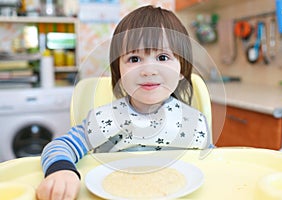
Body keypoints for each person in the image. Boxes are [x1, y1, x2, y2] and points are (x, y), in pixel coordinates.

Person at [36, 5, 211, 200]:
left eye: (162, 57)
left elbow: (217, 164)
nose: (148, 70)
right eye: (134, 58)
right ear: (119, 72)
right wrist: (61, 171)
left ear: (181, 70)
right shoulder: (106, 120)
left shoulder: (194, 123)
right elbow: (59, 146)